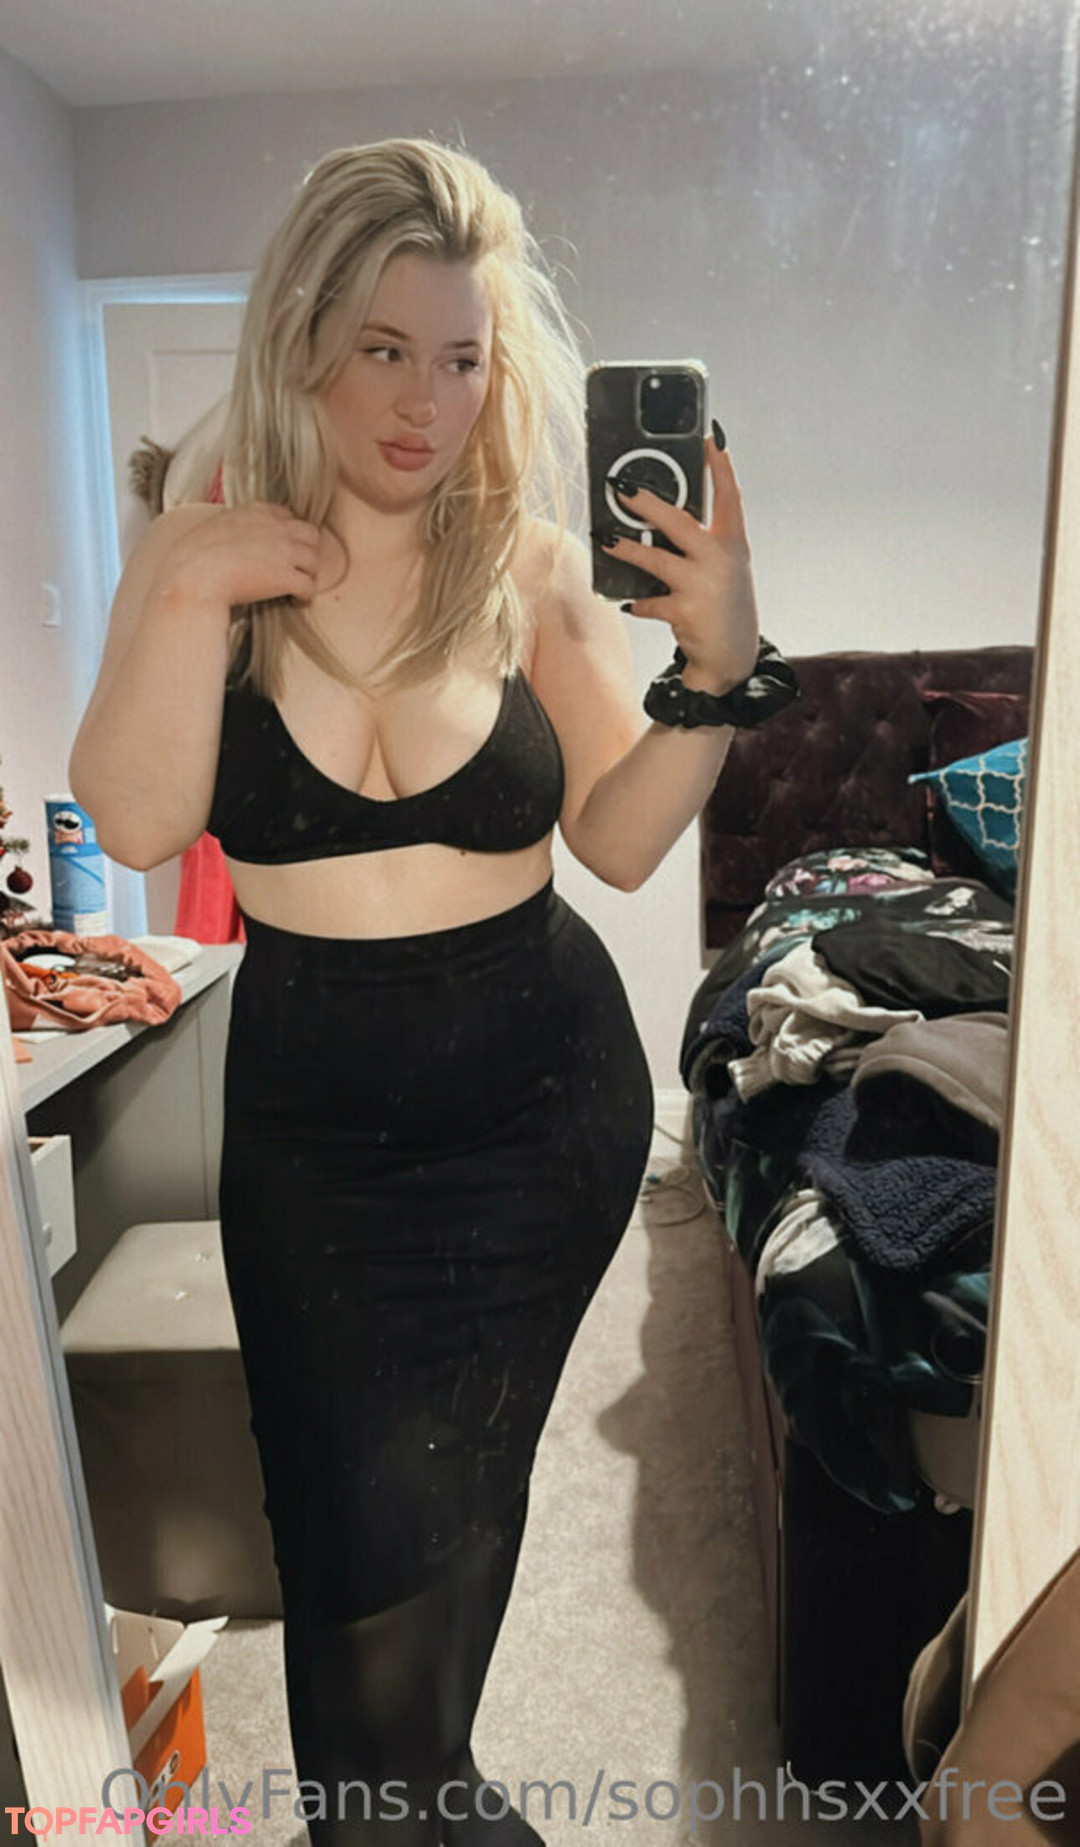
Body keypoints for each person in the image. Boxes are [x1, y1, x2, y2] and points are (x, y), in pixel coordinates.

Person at [69, 138, 773, 1846]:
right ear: (304, 335)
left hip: (542, 1119)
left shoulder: (525, 565)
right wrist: (181, 569)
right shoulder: (209, 560)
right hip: (315, 1146)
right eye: (384, 348)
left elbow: (616, 839)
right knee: (349, 1583)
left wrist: (721, 669)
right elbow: (142, 819)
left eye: (461, 358)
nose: (424, 402)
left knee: (443, 1549)